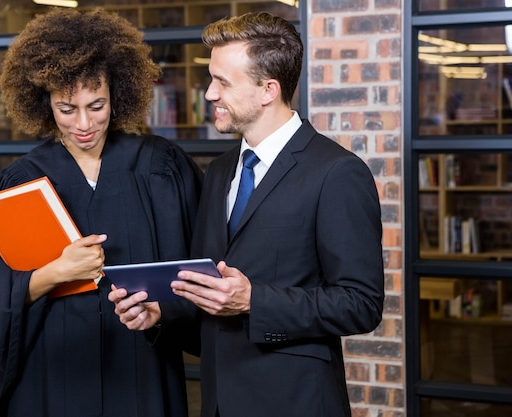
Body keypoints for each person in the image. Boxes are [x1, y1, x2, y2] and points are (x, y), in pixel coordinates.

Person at [110, 11, 385, 417]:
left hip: (298, 404)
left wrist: (255, 300)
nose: (209, 94)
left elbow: (361, 304)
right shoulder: (221, 171)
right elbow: (211, 290)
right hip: (219, 402)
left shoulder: (338, 173)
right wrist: (159, 315)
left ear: (268, 90)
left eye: (222, 82)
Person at [0, 8, 203, 417]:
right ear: (44, 103)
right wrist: (58, 271)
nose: (84, 123)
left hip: (140, 366)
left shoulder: (161, 167)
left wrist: (163, 312)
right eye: (66, 109)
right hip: (53, 374)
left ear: (118, 94)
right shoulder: (21, 181)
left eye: (97, 105)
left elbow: (201, 270)